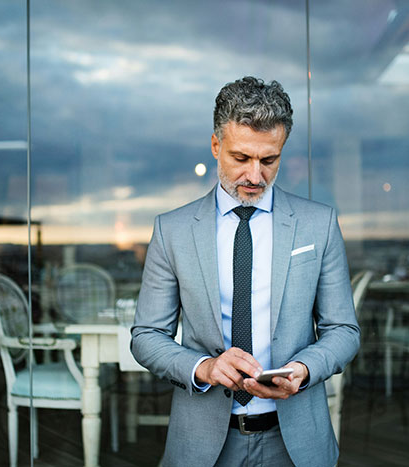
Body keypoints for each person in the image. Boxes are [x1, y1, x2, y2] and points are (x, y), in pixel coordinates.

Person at [131, 76, 359, 466]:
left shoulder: (318, 224)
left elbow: (343, 331)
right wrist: (204, 367)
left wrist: (303, 370)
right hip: (203, 446)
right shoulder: (172, 230)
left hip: (297, 443)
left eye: (268, 160)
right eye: (241, 158)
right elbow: (147, 336)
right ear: (217, 145)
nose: (255, 176)